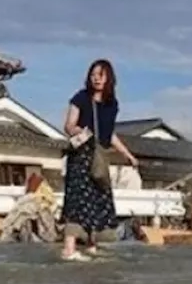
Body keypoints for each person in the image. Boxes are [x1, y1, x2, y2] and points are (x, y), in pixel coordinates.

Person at [59, 59, 139, 261]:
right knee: (77, 201)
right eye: (93, 74)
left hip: (99, 157)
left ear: (108, 78)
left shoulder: (112, 105)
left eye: (100, 75)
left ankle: (91, 246)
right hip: (81, 157)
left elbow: (109, 133)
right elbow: (69, 125)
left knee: (98, 200)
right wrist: (81, 131)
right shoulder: (81, 98)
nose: (96, 78)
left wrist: (126, 154)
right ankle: (69, 248)